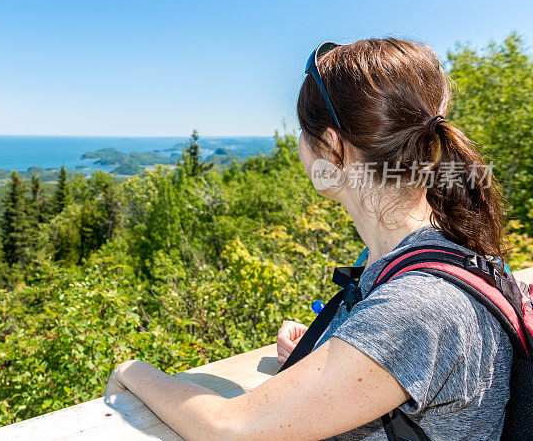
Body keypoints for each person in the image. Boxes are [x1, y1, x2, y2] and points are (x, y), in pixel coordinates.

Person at [103, 38, 513, 440]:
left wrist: (132, 370)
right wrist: (334, 352)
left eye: (304, 132)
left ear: (333, 150)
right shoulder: (443, 251)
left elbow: (228, 430)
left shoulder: (418, 304)